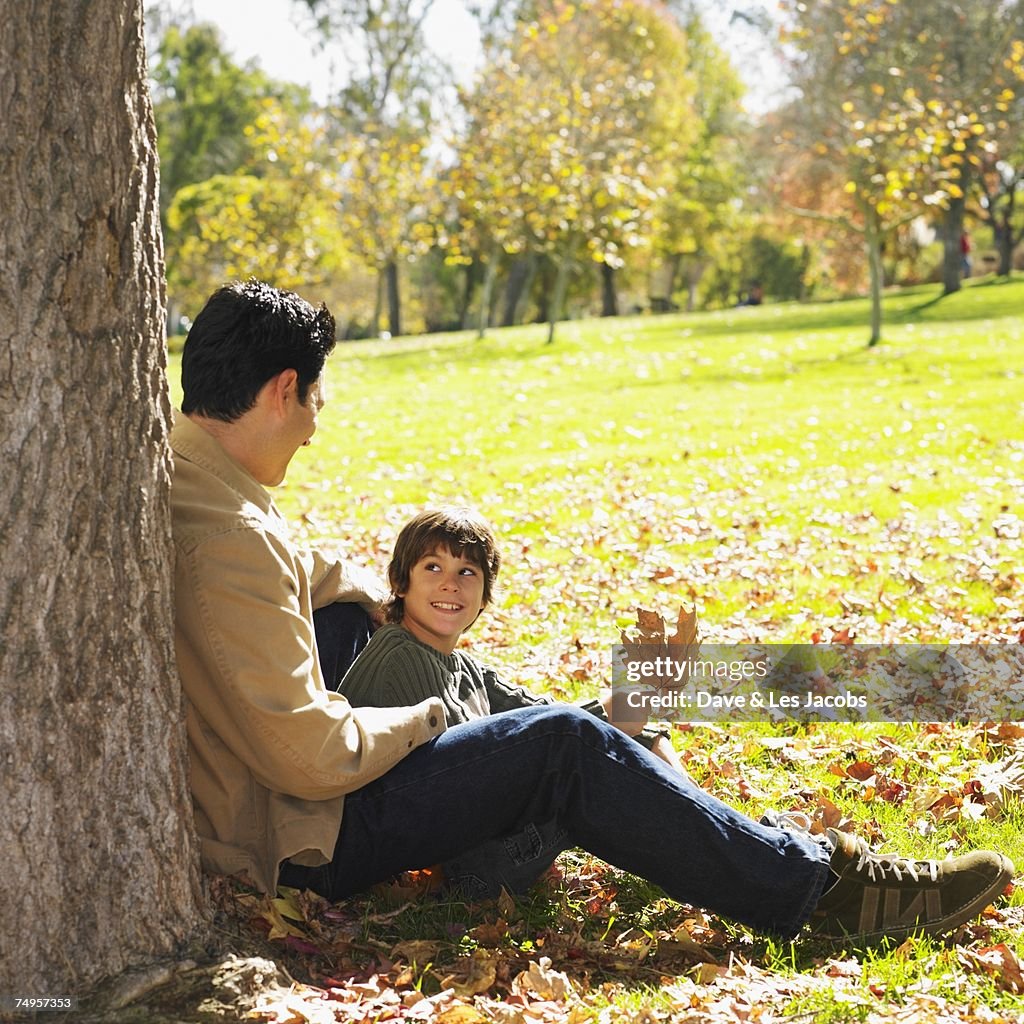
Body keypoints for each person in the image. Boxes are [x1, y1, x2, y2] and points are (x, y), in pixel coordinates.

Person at [170, 278, 1013, 947]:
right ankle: (817, 890)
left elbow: (306, 570)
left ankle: (623, 728)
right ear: (284, 389)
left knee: (459, 671)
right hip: (311, 834)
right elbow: (308, 756)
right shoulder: (231, 537)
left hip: (301, 785)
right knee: (559, 750)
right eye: (316, 399)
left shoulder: (198, 475)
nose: (317, 426)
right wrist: (429, 718)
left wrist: (382, 608)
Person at [339, 507, 683, 771]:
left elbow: (540, 713)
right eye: (432, 567)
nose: (450, 584)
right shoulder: (402, 658)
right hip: (463, 853)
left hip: (488, 830)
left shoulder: (462, 668)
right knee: (595, 750)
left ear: (485, 596)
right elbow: (473, 772)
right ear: (400, 582)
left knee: (637, 731)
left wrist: (643, 732)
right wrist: (604, 715)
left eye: (467, 572)